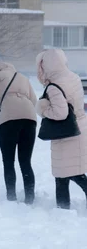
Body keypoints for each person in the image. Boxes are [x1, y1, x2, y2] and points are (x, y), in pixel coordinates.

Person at [35, 49, 87, 209]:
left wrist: (42, 109)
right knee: (70, 171)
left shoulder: (54, 86)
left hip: (66, 134)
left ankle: (63, 210)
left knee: (66, 173)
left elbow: (60, 113)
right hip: (80, 127)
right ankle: (62, 209)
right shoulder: (74, 77)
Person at [0, 62, 37, 204]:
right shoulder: (23, 77)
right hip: (30, 118)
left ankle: (11, 198)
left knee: (8, 161)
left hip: (9, 119)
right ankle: (30, 198)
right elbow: (34, 100)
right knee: (25, 161)